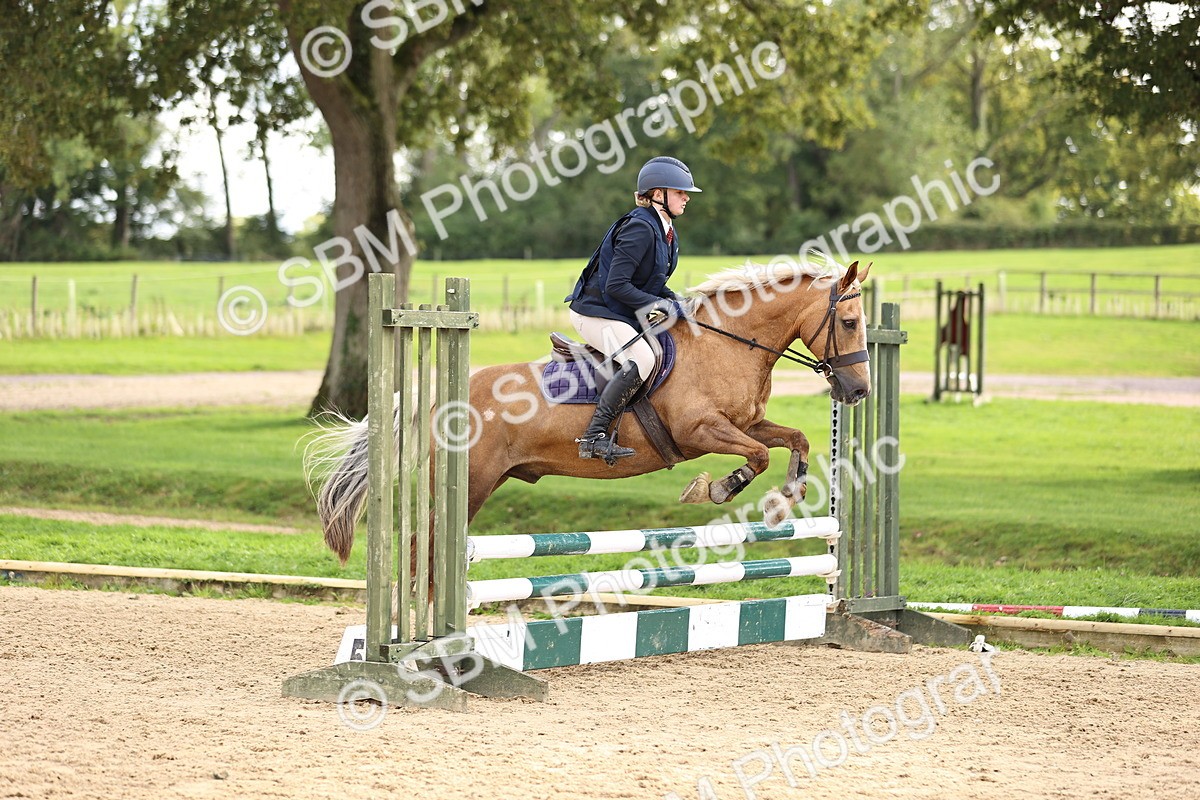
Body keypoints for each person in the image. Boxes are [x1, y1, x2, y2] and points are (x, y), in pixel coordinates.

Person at [564, 156, 700, 462]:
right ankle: (594, 436)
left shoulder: (666, 233)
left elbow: (652, 283)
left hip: (619, 311)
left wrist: (679, 301)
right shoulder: (640, 228)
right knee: (642, 357)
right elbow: (616, 285)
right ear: (657, 194)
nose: (686, 197)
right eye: (680, 192)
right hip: (595, 312)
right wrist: (661, 305)